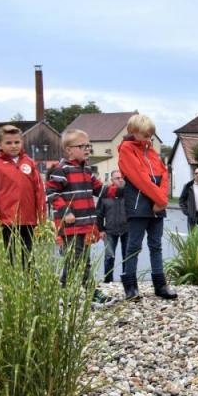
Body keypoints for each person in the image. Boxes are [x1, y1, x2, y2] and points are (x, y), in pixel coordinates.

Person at [46, 129, 114, 307]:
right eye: (83, 146)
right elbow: (51, 192)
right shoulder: (62, 170)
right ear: (69, 150)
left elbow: (101, 190)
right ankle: (90, 292)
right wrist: (66, 211)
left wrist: (121, 189)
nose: (88, 149)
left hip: (85, 225)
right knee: (79, 260)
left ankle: (64, 292)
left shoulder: (87, 170)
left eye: (89, 146)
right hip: (71, 226)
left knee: (79, 260)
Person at [118, 115, 178, 301]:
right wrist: (161, 199)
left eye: (151, 135)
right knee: (134, 247)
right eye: (145, 135)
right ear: (133, 132)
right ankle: (131, 288)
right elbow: (140, 178)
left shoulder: (150, 150)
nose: (149, 138)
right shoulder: (127, 149)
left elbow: (164, 173)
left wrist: (161, 201)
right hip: (138, 205)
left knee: (156, 245)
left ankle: (160, 285)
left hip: (156, 206)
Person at [0, 124, 45, 261]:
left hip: (28, 220)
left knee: (28, 257)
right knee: (10, 257)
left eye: (17, 142)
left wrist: (42, 217)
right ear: (0, 144)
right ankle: (12, 282)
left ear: (22, 142)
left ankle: (30, 282)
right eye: (9, 143)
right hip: (7, 221)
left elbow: (39, 190)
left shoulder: (30, 163)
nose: (13, 146)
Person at [96, 170, 128, 283]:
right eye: (117, 178)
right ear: (111, 180)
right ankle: (108, 282)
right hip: (109, 231)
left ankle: (127, 281)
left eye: (121, 178)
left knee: (127, 257)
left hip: (127, 230)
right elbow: (99, 213)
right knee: (109, 257)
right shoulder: (105, 194)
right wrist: (100, 229)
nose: (120, 180)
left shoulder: (128, 193)